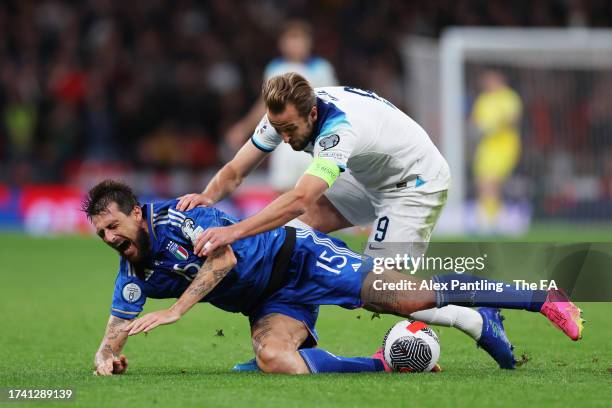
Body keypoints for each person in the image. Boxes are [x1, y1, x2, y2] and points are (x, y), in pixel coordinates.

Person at [177, 73, 512, 368]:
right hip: (367, 179)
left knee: (380, 290)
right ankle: (286, 344)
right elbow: (236, 170)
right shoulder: (283, 116)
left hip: (414, 183)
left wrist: (234, 231)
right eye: (280, 130)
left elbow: (300, 199)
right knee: (290, 238)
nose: (287, 139)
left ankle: (478, 318)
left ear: (311, 114)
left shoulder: (339, 129)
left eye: (291, 130)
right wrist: (207, 196)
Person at [85, 180, 583, 376]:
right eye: (100, 232)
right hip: (270, 302)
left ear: (137, 213)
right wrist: (107, 357)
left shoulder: (178, 219)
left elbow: (223, 262)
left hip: (299, 257)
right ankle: (385, 366)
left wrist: (175, 310)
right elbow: (116, 325)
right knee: (275, 359)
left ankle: (539, 296)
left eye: (113, 225)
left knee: (404, 299)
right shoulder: (134, 268)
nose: (109, 237)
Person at [224, 20, 338, 192]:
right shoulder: (276, 68)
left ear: (309, 42)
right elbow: (266, 104)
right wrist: (243, 127)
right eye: (291, 38)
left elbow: (332, 103)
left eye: (300, 38)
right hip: (285, 142)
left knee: (318, 195)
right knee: (282, 191)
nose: (296, 44)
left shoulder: (322, 69)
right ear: (282, 43)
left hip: (314, 140)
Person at [471, 70, 522, 231]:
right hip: (487, 146)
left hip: (505, 146)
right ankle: (499, 217)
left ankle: (490, 220)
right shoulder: (483, 99)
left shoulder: (508, 97)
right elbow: (475, 120)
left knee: (491, 180)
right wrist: (477, 127)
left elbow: (514, 118)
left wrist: (497, 125)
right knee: (481, 181)